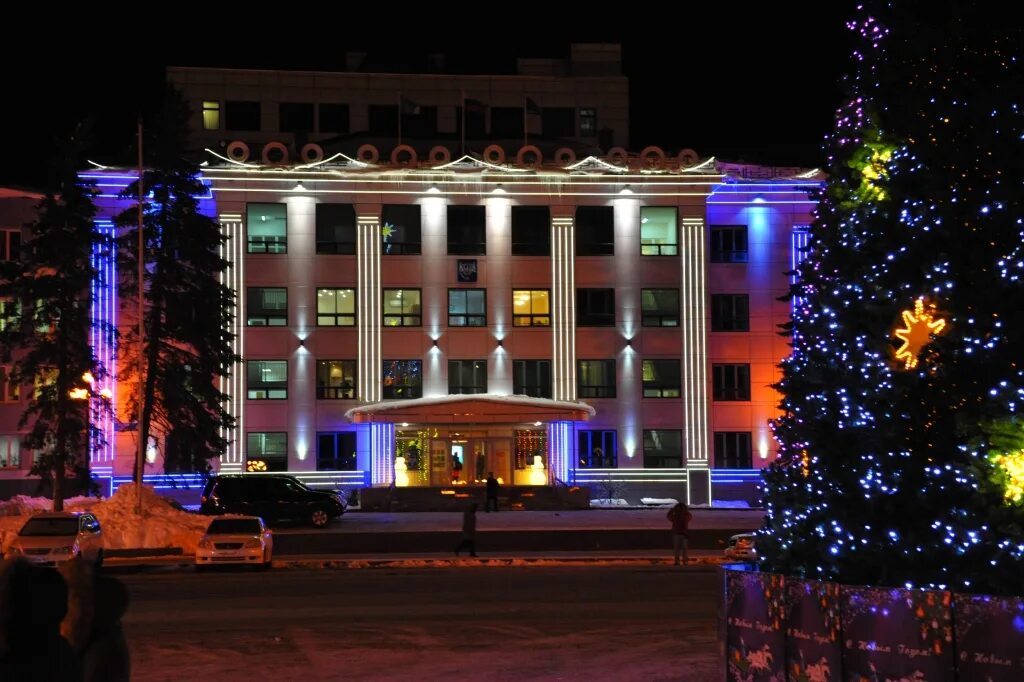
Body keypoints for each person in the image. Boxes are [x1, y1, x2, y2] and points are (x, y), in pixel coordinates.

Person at [667, 501, 692, 566]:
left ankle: (677, 561)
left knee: (677, 549)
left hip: (676, 533)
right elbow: (690, 517)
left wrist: (671, 511)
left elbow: (669, 516)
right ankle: (685, 561)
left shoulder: (675, 516)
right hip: (684, 534)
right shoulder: (685, 516)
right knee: (684, 549)